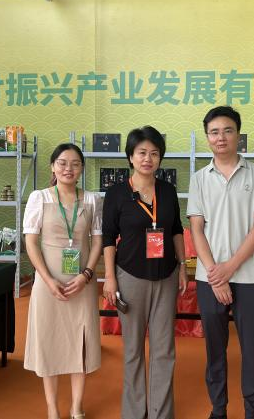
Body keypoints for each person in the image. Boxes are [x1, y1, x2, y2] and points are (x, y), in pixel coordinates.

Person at [187, 106, 254, 419]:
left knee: (252, 349)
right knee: (215, 349)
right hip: (209, 278)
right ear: (207, 137)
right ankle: (218, 409)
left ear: (238, 134)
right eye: (214, 132)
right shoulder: (199, 178)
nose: (220, 137)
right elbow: (197, 228)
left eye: (227, 130)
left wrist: (229, 268)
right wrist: (216, 275)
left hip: (249, 276)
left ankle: (252, 411)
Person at [102, 125, 188, 419]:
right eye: (141, 153)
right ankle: (134, 412)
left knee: (164, 350)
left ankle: (161, 413)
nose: (148, 159)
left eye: (154, 153)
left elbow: (176, 229)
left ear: (160, 158)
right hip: (130, 276)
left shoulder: (167, 190)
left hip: (166, 276)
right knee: (133, 350)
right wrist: (110, 277)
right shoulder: (116, 193)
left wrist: (183, 266)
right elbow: (108, 237)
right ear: (130, 157)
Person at [23, 143, 103, 419]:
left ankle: (77, 406)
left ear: (82, 169)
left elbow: (97, 241)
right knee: (49, 342)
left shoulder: (92, 200)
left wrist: (86, 275)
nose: (69, 168)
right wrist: (47, 279)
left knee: (80, 344)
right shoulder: (39, 198)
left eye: (75, 164)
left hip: (82, 284)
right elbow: (31, 242)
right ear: (53, 167)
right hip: (48, 284)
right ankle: (52, 408)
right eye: (62, 163)